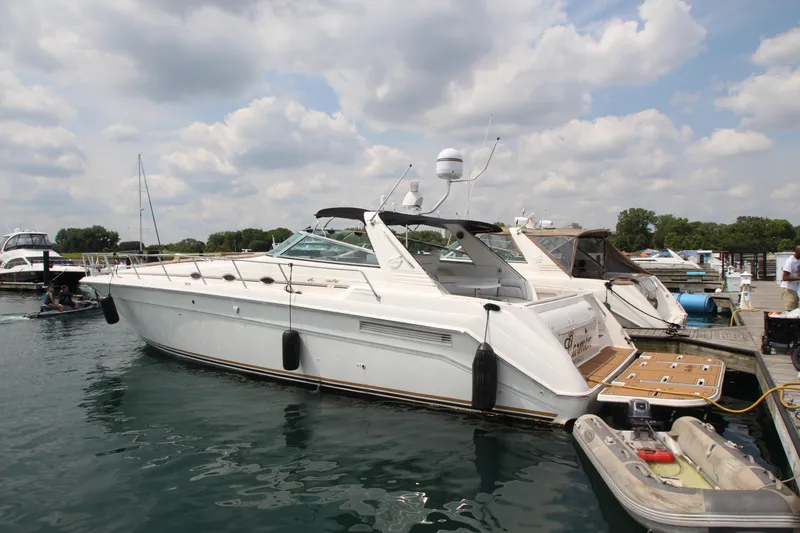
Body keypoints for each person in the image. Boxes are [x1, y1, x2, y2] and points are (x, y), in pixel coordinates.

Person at [780, 246, 800, 311]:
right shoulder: (790, 261)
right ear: (797, 252)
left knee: (795, 312)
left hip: (795, 289)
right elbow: (784, 277)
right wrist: (798, 278)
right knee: (789, 311)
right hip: (788, 289)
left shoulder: (799, 260)